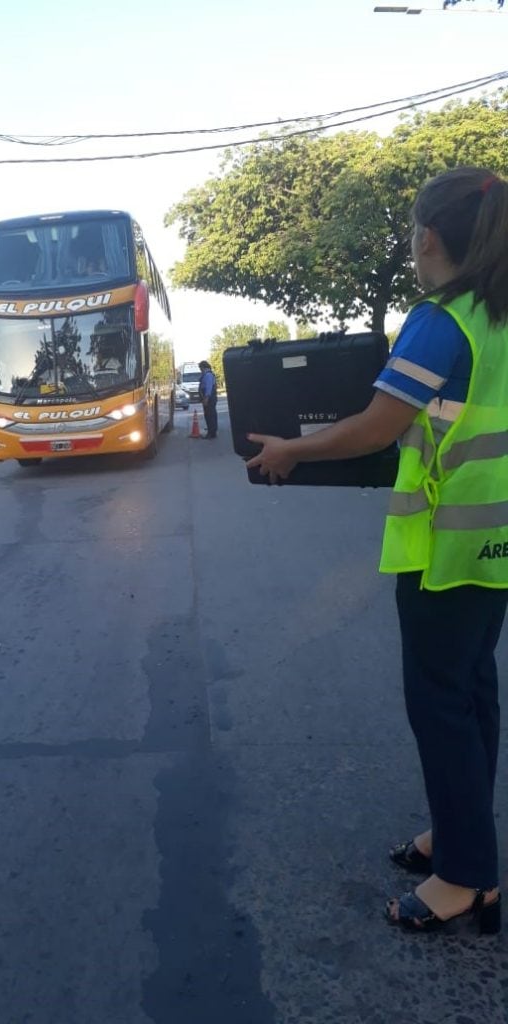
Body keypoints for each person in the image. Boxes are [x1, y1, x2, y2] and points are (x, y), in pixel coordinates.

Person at [246, 167, 508, 935]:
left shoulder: (443, 320)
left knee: (441, 703)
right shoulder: (498, 315)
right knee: (472, 693)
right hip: (497, 540)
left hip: (445, 546)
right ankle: (462, 837)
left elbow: (374, 426)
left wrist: (293, 450)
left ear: (427, 236)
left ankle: (465, 876)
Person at [198, 359, 218, 438]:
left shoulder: (208, 375)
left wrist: (206, 398)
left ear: (204, 367)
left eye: (201, 368)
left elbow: (208, 388)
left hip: (209, 398)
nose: (200, 370)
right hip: (209, 398)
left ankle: (211, 433)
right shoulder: (207, 375)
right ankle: (211, 430)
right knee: (210, 414)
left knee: (210, 415)